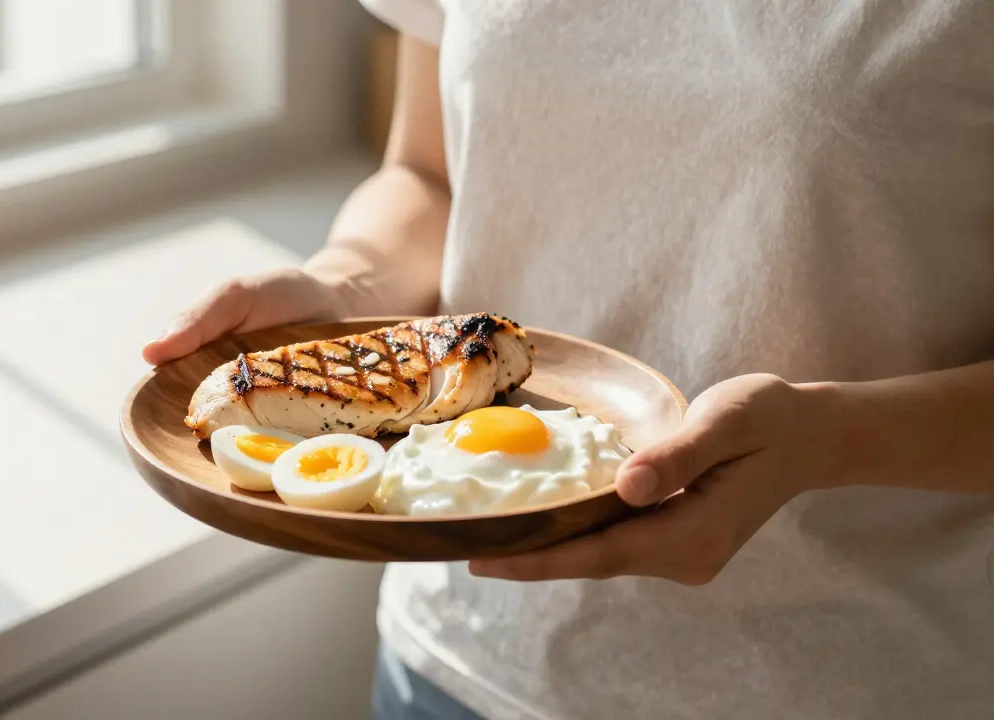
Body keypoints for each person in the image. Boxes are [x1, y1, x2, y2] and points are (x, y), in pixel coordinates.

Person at [145, 1, 994, 717]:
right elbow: (429, 172)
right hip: (452, 665)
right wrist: (346, 284)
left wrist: (830, 438)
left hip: (838, 684)